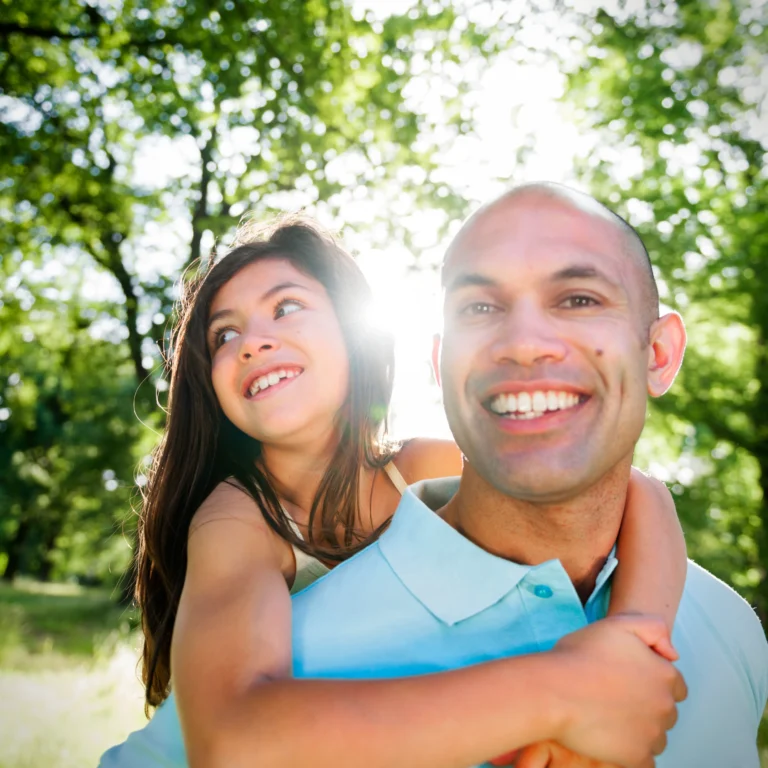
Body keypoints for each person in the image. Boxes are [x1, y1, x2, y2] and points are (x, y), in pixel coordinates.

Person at [101, 214, 687, 768]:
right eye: (224, 334)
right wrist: (566, 694)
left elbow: (636, 492)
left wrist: (629, 649)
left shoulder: (425, 465)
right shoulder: (237, 516)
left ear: (355, 333)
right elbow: (231, 741)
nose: (251, 343)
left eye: (286, 307)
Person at [285, 183, 768, 767]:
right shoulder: (288, 668)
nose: (524, 345)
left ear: (658, 355)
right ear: (440, 367)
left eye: (579, 299)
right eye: (480, 308)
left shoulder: (730, 628)